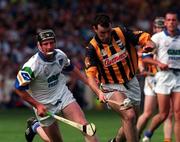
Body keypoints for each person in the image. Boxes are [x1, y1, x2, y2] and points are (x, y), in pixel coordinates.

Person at [14, 29, 99, 142]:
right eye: (45, 44)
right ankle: (35, 127)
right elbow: (18, 89)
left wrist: (88, 82)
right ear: (39, 45)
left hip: (63, 96)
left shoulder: (60, 55)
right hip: (44, 104)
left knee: (86, 128)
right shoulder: (32, 66)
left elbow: (71, 68)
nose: (49, 47)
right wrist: (37, 105)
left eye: (51, 43)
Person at [84, 13, 155, 142]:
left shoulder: (121, 32)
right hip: (110, 85)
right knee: (129, 115)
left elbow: (144, 38)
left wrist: (150, 45)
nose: (106, 36)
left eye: (108, 31)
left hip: (131, 81)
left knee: (132, 121)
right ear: (94, 29)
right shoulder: (92, 48)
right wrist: (99, 92)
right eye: (102, 33)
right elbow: (90, 77)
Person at [142, 10, 180, 142]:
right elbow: (145, 57)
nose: (171, 22)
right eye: (168, 20)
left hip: (178, 77)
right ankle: (148, 132)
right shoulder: (157, 38)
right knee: (163, 114)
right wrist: (159, 63)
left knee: (178, 114)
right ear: (165, 22)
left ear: (178, 22)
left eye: (173, 20)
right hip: (163, 77)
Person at [136, 17, 165, 137]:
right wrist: (142, 68)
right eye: (158, 27)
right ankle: (135, 135)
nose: (160, 29)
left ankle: (152, 136)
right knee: (148, 113)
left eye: (162, 27)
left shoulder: (169, 39)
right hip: (153, 78)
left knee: (167, 113)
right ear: (154, 28)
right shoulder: (151, 40)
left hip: (165, 77)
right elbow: (141, 57)